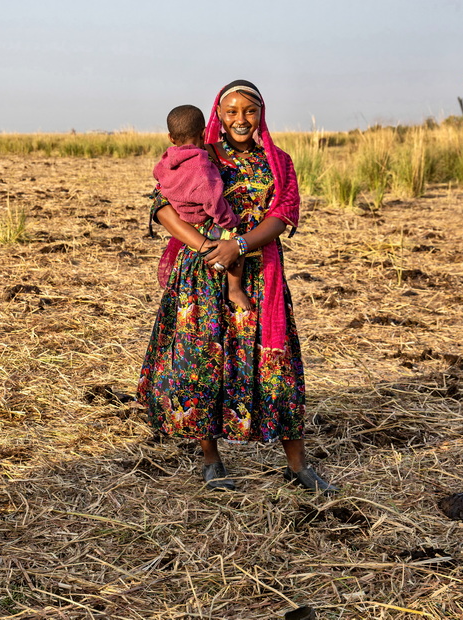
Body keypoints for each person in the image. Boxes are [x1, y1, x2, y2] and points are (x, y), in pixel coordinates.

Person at [137, 80, 337, 496]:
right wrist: (211, 247)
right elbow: (161, 206)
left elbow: (283, 214)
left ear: (261, 114)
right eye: (231, 111)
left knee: (274, 367)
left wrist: (240, 245)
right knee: (203, 363)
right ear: (218, 115)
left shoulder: (278, 161)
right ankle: (211, 459)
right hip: (204, 275)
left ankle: (297, 464)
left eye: (249, 110)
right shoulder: (199, 154)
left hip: (260, 276)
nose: (240, 119)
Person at [152, 104, 251, 311]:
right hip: (201, 219)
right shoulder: (202, 166)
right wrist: (230, 221)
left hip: (184, 220)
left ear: (171, 137)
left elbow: (158, 178)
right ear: (204, 133)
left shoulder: (168, 159)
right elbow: (212, 200)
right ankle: (234, 287)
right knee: (236, 245)